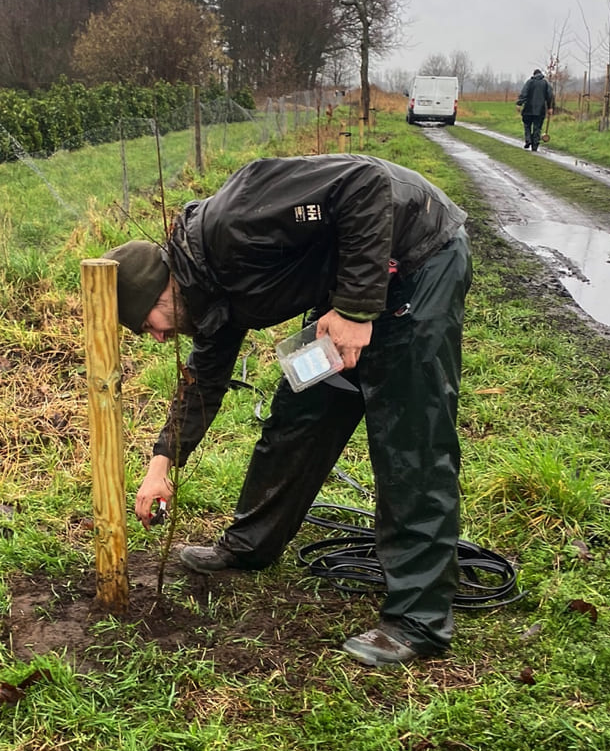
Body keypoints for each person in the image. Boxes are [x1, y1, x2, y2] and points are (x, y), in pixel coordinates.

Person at [103, 153, 472, 666]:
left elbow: (363, 185)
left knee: (410, 438)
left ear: (161, 287)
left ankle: (418, 620)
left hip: (416, 260)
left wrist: (355, 309)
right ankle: (250, 545)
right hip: (347, 287)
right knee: (298, 413)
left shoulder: (235, 223)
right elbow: (203, 381)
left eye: (149, 322)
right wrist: (161, 463)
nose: (158, 335)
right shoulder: (208, 290)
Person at [516, 68, 555, 150]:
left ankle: (528, 139)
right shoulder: (546, 83)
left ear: (534, 74)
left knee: (527, 125)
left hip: (528, 109)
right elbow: (550, 96)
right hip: (540, 110)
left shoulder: (529, 82)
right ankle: (535, 145)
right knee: (537, 127)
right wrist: (550, 107)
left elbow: (524, 93)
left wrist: (519, 103)